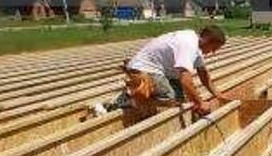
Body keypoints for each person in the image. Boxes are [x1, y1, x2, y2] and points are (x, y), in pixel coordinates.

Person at [94, 25, 227, 116]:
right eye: (214, 47)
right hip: (144, 68)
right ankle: (124, 99)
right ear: (207, 40)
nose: (213, 52)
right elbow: (185, 80)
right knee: (169, 97)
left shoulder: (196, 45)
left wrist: (218, 95)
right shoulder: (188, 44)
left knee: (181, 99)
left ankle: (137, 95)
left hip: (160, 71)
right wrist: (200, 102)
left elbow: (203, 74)